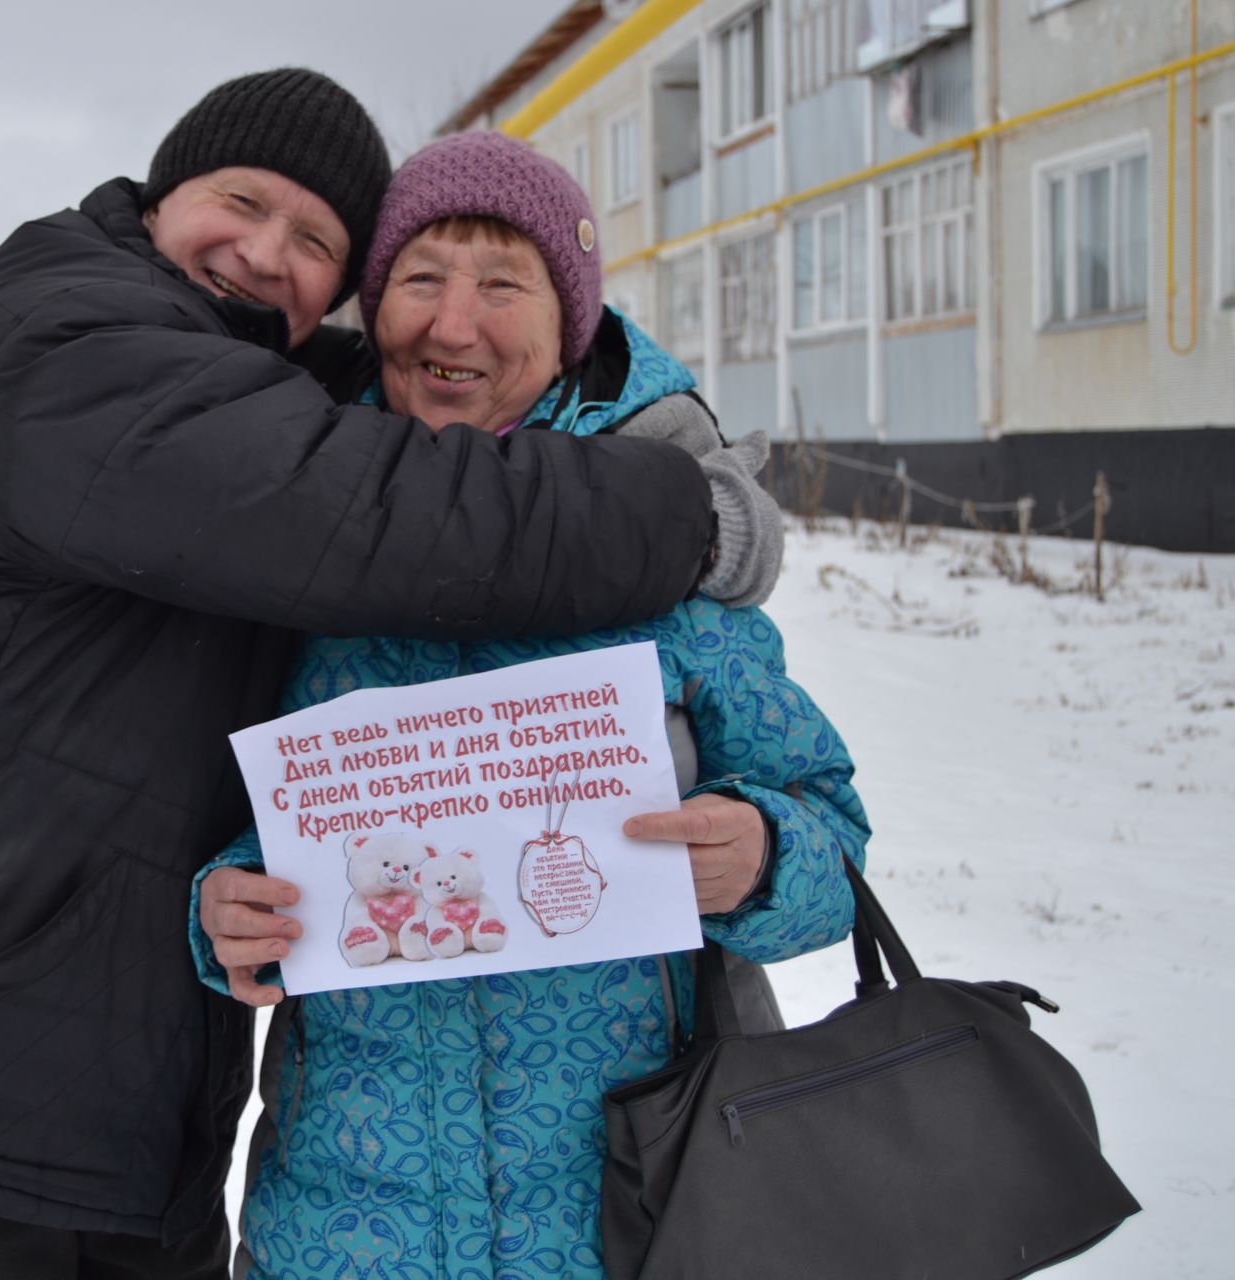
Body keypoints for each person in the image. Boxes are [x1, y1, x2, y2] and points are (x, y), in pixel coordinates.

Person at [0, 71, 732, 1280]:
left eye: (316, 239)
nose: (267, 253)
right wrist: (687, 502)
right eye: (240, 200)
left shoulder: (234, 373)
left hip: (111, 1105)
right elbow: (360, 499)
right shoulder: (67, 326)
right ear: (163, 194)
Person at [191, 132, 870, 1278]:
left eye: (504, 284)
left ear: (571, 331)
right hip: (345, 1226)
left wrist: (759, 854)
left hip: (635, 1219)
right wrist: (224, 910)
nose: (454, 325)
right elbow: (219, 822)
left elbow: (832, 842)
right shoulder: (295, 554)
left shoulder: (660, 554)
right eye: (421, 278)